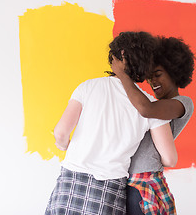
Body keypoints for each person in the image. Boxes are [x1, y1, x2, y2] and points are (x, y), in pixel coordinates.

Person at [45, 32, 177, 215]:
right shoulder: (151, 106)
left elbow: (60, 133)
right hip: (109, 188)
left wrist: (66, 146)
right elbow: (170, 159)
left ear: (114, 58)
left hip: (70, 179)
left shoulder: (87, 87)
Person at [111, 36, 195, 215]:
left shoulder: (183, 103)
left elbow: (146, 109)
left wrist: (122, 75)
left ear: (174, 72)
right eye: (149, 78)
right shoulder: (151, 103)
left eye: (157, 75)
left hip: (145, 183)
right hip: (130, 181)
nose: (152, 82)